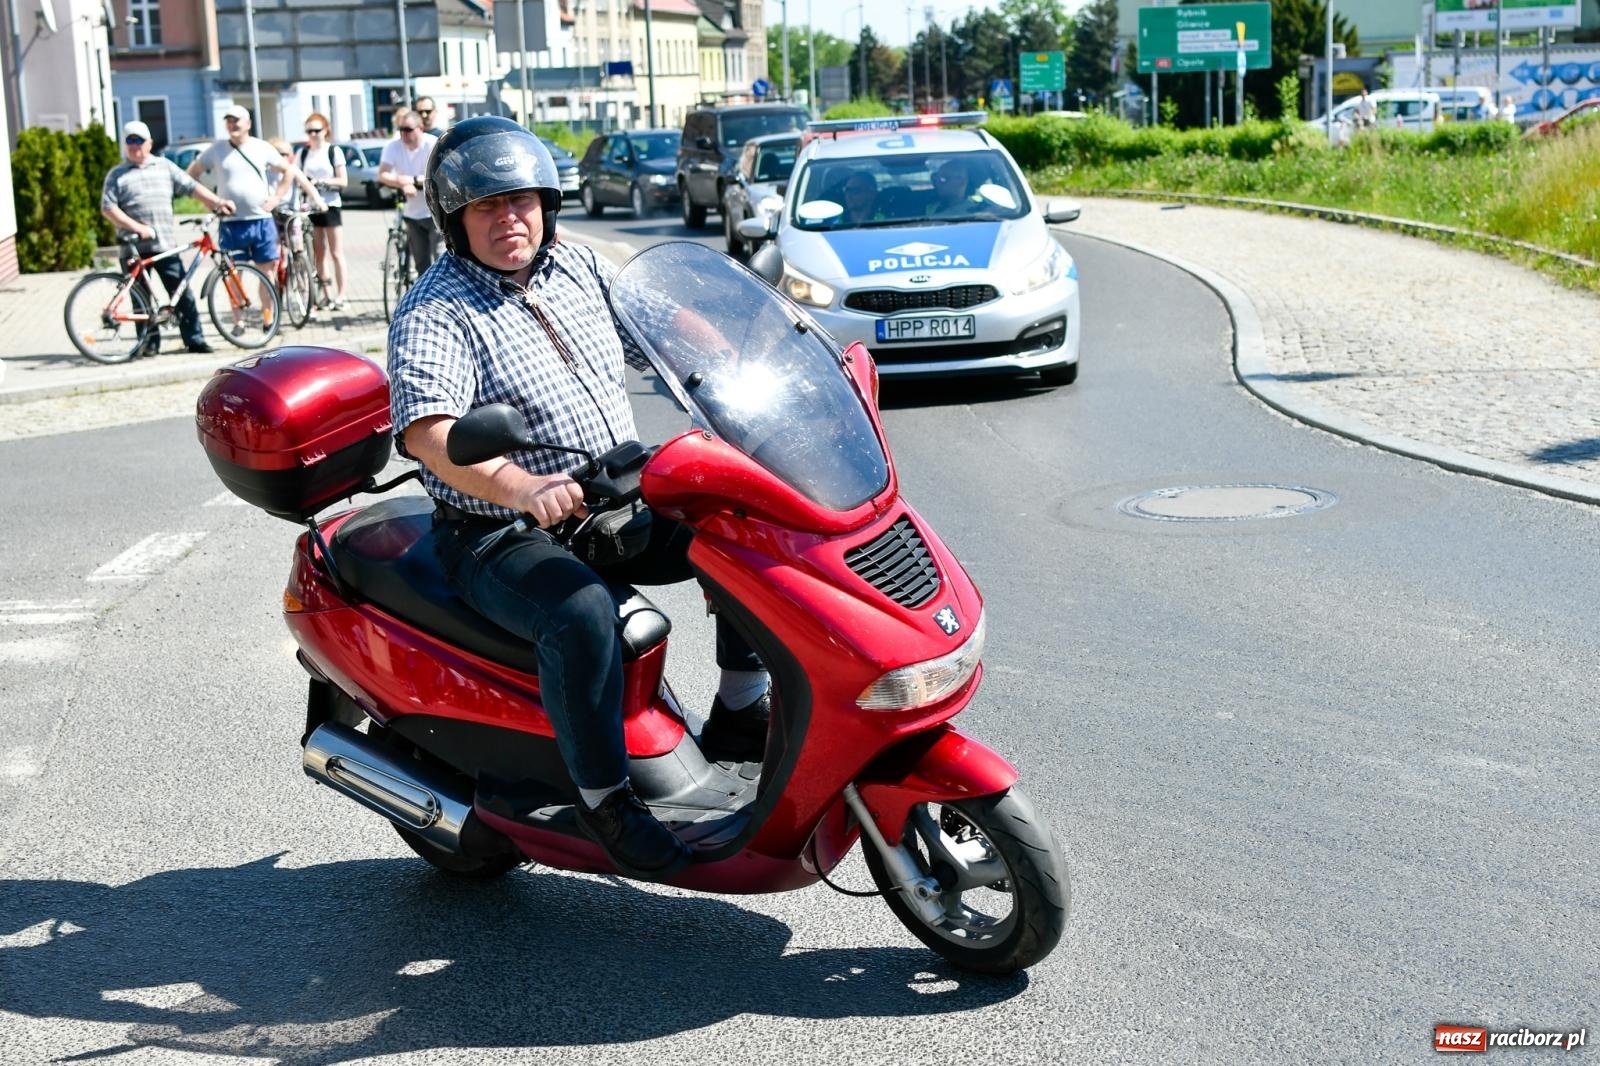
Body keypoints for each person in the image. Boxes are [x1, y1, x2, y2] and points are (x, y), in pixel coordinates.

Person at [386, 117, 771, 881]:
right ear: (455, 220)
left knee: (744, 516)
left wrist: (729, 357)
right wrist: (523, 487)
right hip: (495, 531)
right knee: (581, 612)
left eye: (522, 201)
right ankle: (609, 804)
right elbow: (430, 432)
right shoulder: (438, 308)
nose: (509, 219)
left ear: (547, 205)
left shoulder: (577, 267)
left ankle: (739, 708)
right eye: (487, 207)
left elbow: (659, 326)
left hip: (605, 496)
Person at [100, 120, 236, 355]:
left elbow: (191, 187)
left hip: (164, 245)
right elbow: (108, 208)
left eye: (139, 140)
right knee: (141, 301)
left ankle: (194, 340)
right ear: (125, 145)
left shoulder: (164, 166)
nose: (135, 146)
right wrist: (137, 227)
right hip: (132, 247)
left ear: (149, 143)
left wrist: (217, 203)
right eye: (130, 141)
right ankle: (148, 345)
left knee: (181, 293)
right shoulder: (117, 175)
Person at [188, 104, 292, 331]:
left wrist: (276, 198)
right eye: (229, 121)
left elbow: (289, 171)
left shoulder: (261, 147)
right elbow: (191, 175)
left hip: (261, 222)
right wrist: (210, 202)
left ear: (248, 123)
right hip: (231, 223)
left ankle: (268, 318)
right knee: (233, 275)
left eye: (237, 120)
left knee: (267, 272)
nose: (232, 125)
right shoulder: (216, 150)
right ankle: (239, 322)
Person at [379, 107, 443, 278]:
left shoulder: (432, 144)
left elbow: (439, 175)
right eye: (400, 129)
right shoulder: (393, 147)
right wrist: (401, 182)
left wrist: (413, 181)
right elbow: (383, 174)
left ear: (420, 128)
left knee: (439, 256)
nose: (403, 134)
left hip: (434, 211)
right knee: (421, 262)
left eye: (408, 129)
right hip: (411, 213)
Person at [296, 112, 349, 310]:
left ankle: (342, 294)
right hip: (311, 207)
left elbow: (343, 181)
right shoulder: (303, 154)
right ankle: (326, 294)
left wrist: (322, 182)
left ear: (325, 130)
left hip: (331, 205)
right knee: (319, 253)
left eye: (317, 130)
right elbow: (297, 178)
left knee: (336, 252)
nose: (313, 134)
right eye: (309, 131)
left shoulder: (333, 151)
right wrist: (306, 186)